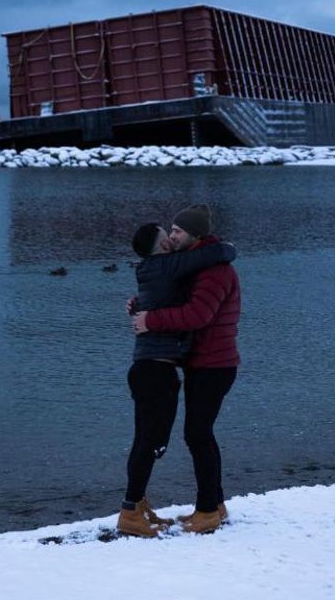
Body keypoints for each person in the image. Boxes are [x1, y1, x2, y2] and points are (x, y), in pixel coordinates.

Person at [116, 219, 236, 537]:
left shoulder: (162, 268)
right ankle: (132, 510)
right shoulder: (170, 265)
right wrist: (226, 248)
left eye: (177, 232)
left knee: (164, 439)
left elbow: (188, 308)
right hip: (156, 370)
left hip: (171, 367)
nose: (172, 237)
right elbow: (203, 261)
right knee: (152, 441)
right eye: (167, 234)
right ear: (161, 247)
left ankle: (201, 506)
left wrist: (146, 310)